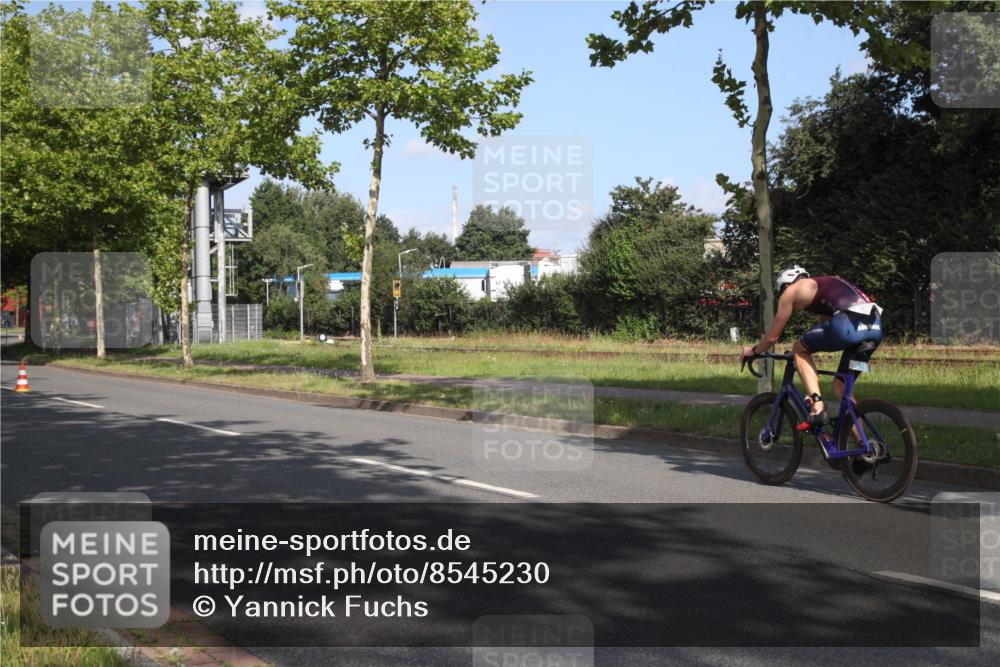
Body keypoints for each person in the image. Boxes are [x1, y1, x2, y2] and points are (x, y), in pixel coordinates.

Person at [740, 266, 883, 428]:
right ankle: (864, 449)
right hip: (876, 328)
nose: (796, 308)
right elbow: (824, 330)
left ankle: (817, 406)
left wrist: (753, 351)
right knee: (841, 386)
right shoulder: (826, 286)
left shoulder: (791, 291)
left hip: (849, 325)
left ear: (786, 285)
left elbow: (773, 337)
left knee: (798, 349)